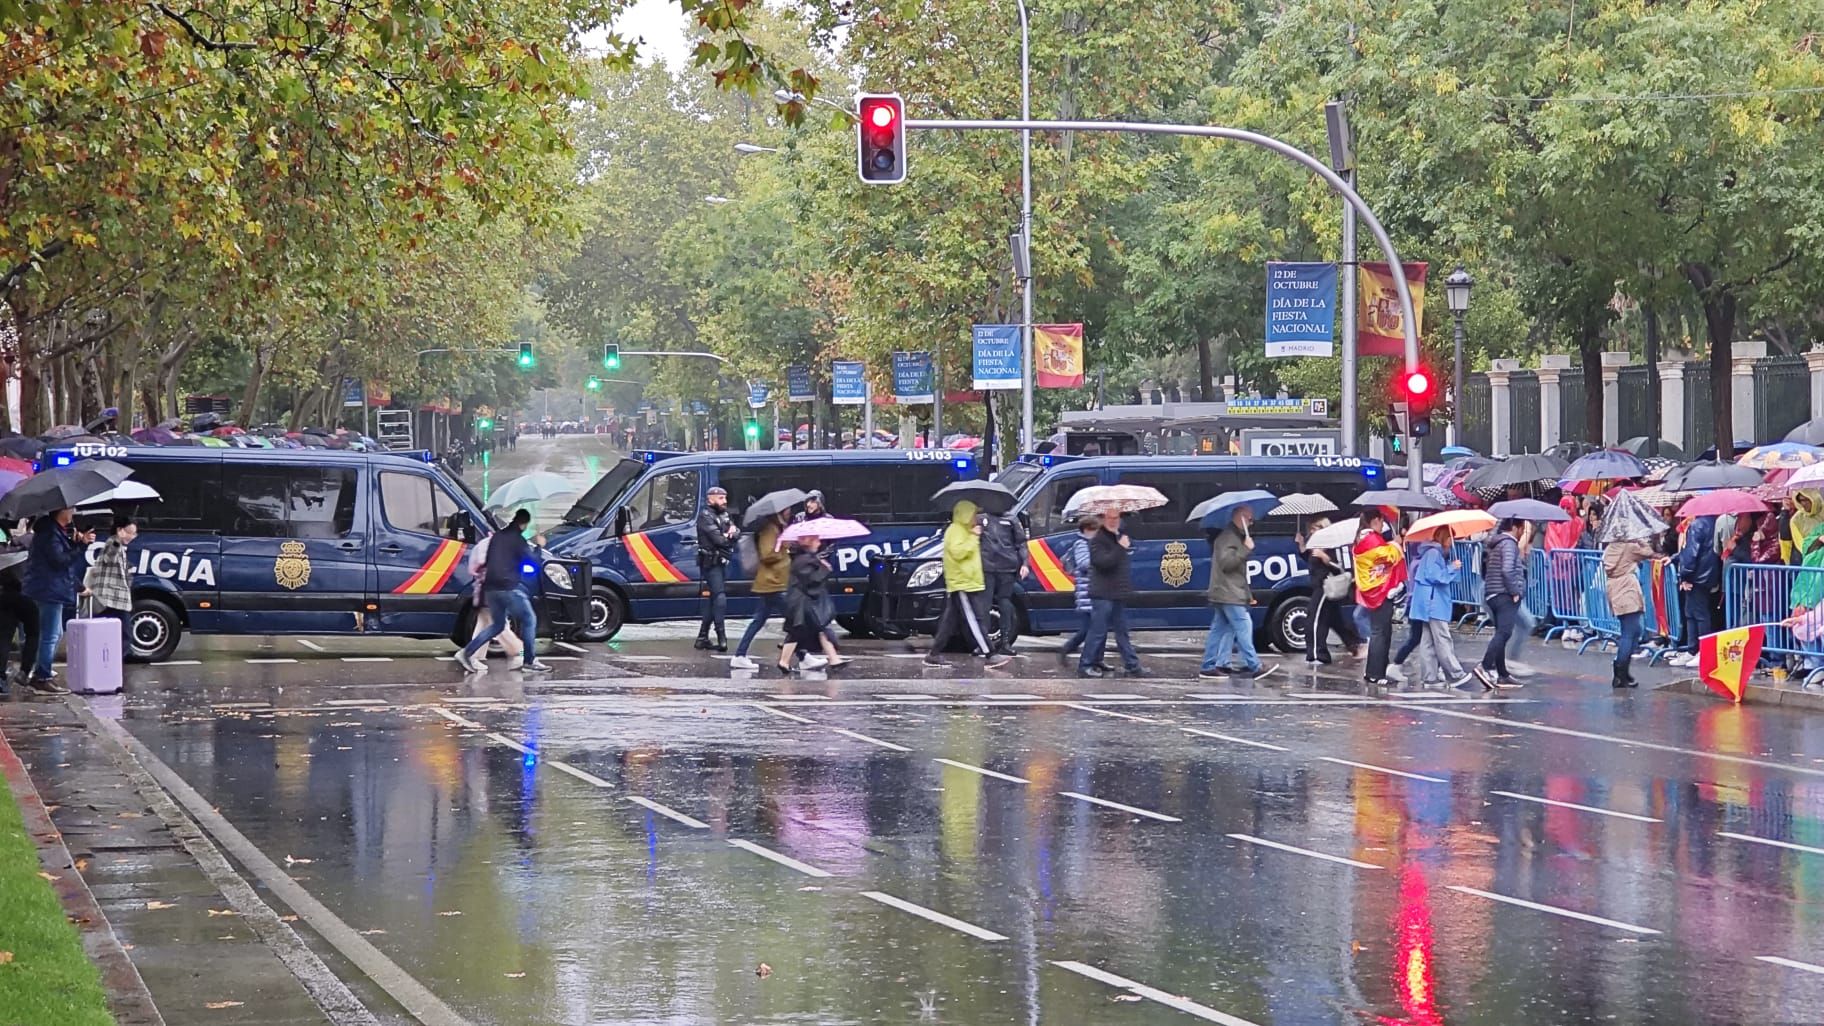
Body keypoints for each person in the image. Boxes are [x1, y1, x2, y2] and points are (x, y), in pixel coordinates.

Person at [454, 509, 551, 674]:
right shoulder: (518, 540)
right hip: (508, 588)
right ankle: (529, 661)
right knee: (529, 619)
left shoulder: (497, 537)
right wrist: (539, 546)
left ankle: (466, 653)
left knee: (497, 625)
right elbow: (533, 561)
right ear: (524, 524)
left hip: (490, 589)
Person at [925, 500, 1010, 668]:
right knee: (975, 620)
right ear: (965, 515)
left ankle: (933, 654)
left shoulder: (963, 530)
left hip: (967, 582)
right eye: (973, 514)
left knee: (949, 622)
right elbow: (958, 553)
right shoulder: (957, 531)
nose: (976, 518)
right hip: (962, 583)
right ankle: (990, 653)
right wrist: (973, 537)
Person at [22, 507, 95, 693]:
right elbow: (60, 561)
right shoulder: (49, 533)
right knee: (50, 635)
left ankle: (38, 670)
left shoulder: (54, 532)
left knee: (55, 633)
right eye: (71, 509)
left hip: (51, 589)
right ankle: (41, 676)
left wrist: (73, 542)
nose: (73, 512)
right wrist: (80, 545)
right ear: (61, 511)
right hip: (48, 590)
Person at [1200, 505, 1272, 680]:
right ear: (1240, 518)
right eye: (1249, 519)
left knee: (1219, 630)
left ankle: (1208, 666)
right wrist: (1245, 549)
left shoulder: (1232, 537)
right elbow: (1227, 564)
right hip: (1229, 592)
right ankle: (1254, 665)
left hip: (1226, 591)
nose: (1251, 522)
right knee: (1243, 627)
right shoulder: (1228, 538)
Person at [1407, 526, 1474, 688]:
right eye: (1451, 538)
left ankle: (1429, 678)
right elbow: (1435, 576)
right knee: (1442, 638)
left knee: (1428, 641)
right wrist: (1452, 567)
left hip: (1427, 601)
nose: (1452, 542)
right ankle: (1455, 674)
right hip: (1433, 602)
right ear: (1445, 538)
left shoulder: (1431, 553)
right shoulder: (1434, 553)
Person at [1079, 510, 1142, 678]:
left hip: (1117, 592)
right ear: (1103, 519)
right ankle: (1085, 665)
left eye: (1116, 518)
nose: (1114, 521)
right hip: (1102, 593)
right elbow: (1103, 563)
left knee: (1122, 631)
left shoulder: (1117, 536)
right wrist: (1120, 547)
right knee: (1098, 630)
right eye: (1110, 518)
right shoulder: (1098, 539)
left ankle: (1132, 665)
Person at [730, 511, 792, 670]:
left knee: (759, 620)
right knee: (794, 620)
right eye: (787, 509)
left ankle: (739, 654)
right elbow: (766, 554)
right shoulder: (770, 529)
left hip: (773, 582)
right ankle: (804, 656)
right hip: (772, 583)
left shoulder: (778, 527)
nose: (789, 512)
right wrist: (783, 547)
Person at [1353, 508, 1406, 687]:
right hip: (1380, 590)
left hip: (1375, 590)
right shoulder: (1371, 539)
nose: (1383, 525)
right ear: (1375, 520)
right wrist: (1397, 544)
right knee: (1380, 633)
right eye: (1382, 522)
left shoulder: (1363, 538)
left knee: (1382, 632)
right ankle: (1375, 673)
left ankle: (1377, 671)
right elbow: (1388, 556)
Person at [1301, 517, 1363, 664]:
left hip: (1326, 586)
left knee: (1314, 619)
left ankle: (1317, 654)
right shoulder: (1314, 547)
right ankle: (1354, 644)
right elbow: (1311, 562)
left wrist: (1325, 558)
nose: (1311, 531)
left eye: (1315, 528)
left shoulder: (1330, 548)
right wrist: (1302, 547)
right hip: (1319, 585)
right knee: (1336, 621)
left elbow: (1340, 568)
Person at [1475, 518, 1527, 689]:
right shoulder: (1509, 545)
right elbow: (1507, 569)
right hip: (1504, 594)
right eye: (1521, 529)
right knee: (1504, 633)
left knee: (1500, 633)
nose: (1522, 533)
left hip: (1492, 592)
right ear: (1514, 528)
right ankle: (1485, 665)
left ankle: (1502, 673)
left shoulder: (1496, 544)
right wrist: (1514, 591)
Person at [780, 534, 838, 673]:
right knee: (814, 628)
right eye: (816, 540)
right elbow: (812, 580)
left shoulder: (806, 557)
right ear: (809, 542)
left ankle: (834, 659)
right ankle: (834, 659)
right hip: (800, 602)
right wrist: (825, 569)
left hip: (801, 601)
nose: (819, 543)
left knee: (809, 630)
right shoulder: (803, 559)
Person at [1669, 515, 1722, 667]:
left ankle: (1700, 651)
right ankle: (1694, 650)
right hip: (1707, 574)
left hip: (1697, 576)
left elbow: (1691, 553)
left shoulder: (1697, 525)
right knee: (1693, 612)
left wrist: (1684, 575)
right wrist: (1674, 558)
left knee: (1697, 614)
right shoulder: (1713, 522)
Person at [1602, 535, 1654, 688]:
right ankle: (1621, 674)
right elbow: (1648, 552)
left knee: (1633, 630)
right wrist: (1640, 540)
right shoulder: (1629, 547)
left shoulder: (1611, 548)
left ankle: (1622, 671)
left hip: (1614, 589)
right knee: (1629, 632)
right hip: (1627, 589)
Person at [980, 504, 1028, 656]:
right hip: (990, 567)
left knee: (1002, 603)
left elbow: (1021, 543)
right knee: (986, 604)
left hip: (1004, 567)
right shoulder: (983, 519)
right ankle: (985, 642)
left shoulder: (1009, 520)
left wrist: (1025, 564)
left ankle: (1003, 642)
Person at [694, 486, 738, 652]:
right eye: (721, 498)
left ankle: (702, 637)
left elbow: (736, 531)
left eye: (725, 498)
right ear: (710, 498)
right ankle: (721, 637)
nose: (724, 501)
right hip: (710, 562)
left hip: (721, 561)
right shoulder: (705, 516)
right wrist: (728, 535)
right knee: (719, 597)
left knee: (713, 598)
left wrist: (731, 533)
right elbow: (720, 540)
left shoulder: (723, 514)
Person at [1056, 515, 1099, 666]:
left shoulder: (1090, 543)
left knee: (1097, 628)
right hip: (1087, 592)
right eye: (1094, 530)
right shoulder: (1082, 544)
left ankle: (1097, 659)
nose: (1096, 533)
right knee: (1089, 629)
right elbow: (1084, 564)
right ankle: (1068, 647)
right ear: (1086, 530)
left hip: (1093, 590)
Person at [0, 530, 38, 691]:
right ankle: (25, 671)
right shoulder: (35, 540)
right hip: (25, 593)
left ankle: (0, 678)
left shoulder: (13, 542)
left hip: (3, 592)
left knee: (4, 635)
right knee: (34, 632)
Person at [83, 514, 136, 628]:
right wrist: (118, 539)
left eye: (134, 534)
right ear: (119, 530)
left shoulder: (118, 545)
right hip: (111, 599)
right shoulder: (113, 542)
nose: (131, 536)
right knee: (124, 634)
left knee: (115, 633)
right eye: (129, 532)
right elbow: (110, 555)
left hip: (113, 598)